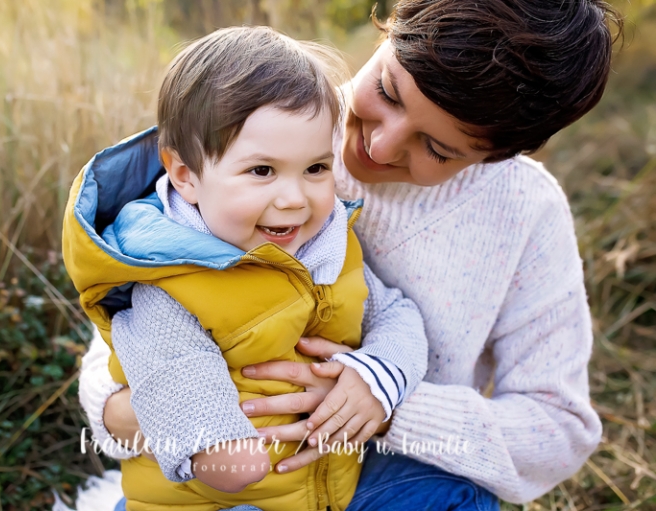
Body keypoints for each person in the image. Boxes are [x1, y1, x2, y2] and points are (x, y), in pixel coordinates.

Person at [79, 0, 622, 509]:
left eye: (438, 148)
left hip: (378, 471)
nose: (379, 147)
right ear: (387, 27)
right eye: (388, 92)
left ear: (497, 155)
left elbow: (559, 429)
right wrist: (181, 418)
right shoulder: (262, 126)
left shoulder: (526, 211)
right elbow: (128, 326)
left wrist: (383, 408)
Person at [63, 26, 430, 511]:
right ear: (185, 176)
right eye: (262, 171)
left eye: (316, 169)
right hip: (203, 501)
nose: (294, 198)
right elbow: (170, 367)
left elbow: (395, 314)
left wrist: (378, 376)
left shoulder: (330, 245)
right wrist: (216, 444)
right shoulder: (169, 280)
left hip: (320, 492)